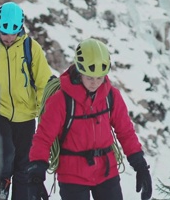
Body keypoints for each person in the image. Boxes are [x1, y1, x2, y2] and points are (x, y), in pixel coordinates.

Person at [26, 38, 152, 200]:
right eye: (90, 77)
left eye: (100, 78)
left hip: (106, 172)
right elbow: (43, 137)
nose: (95, 83)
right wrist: (36, 172)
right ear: (79, 70)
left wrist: (140, 166)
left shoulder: (111, 96)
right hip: (72, 175)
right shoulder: (61, 100)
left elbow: (125, 131)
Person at [0, 1, 55, 200]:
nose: (9, 38)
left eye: (13, 33)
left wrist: (44, 115)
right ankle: (1, 183)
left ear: (21, 28)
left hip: (26, 117)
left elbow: (43, 84)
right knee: (5, 153)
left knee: (24, 165)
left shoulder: (31, 49)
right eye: (4, 33)